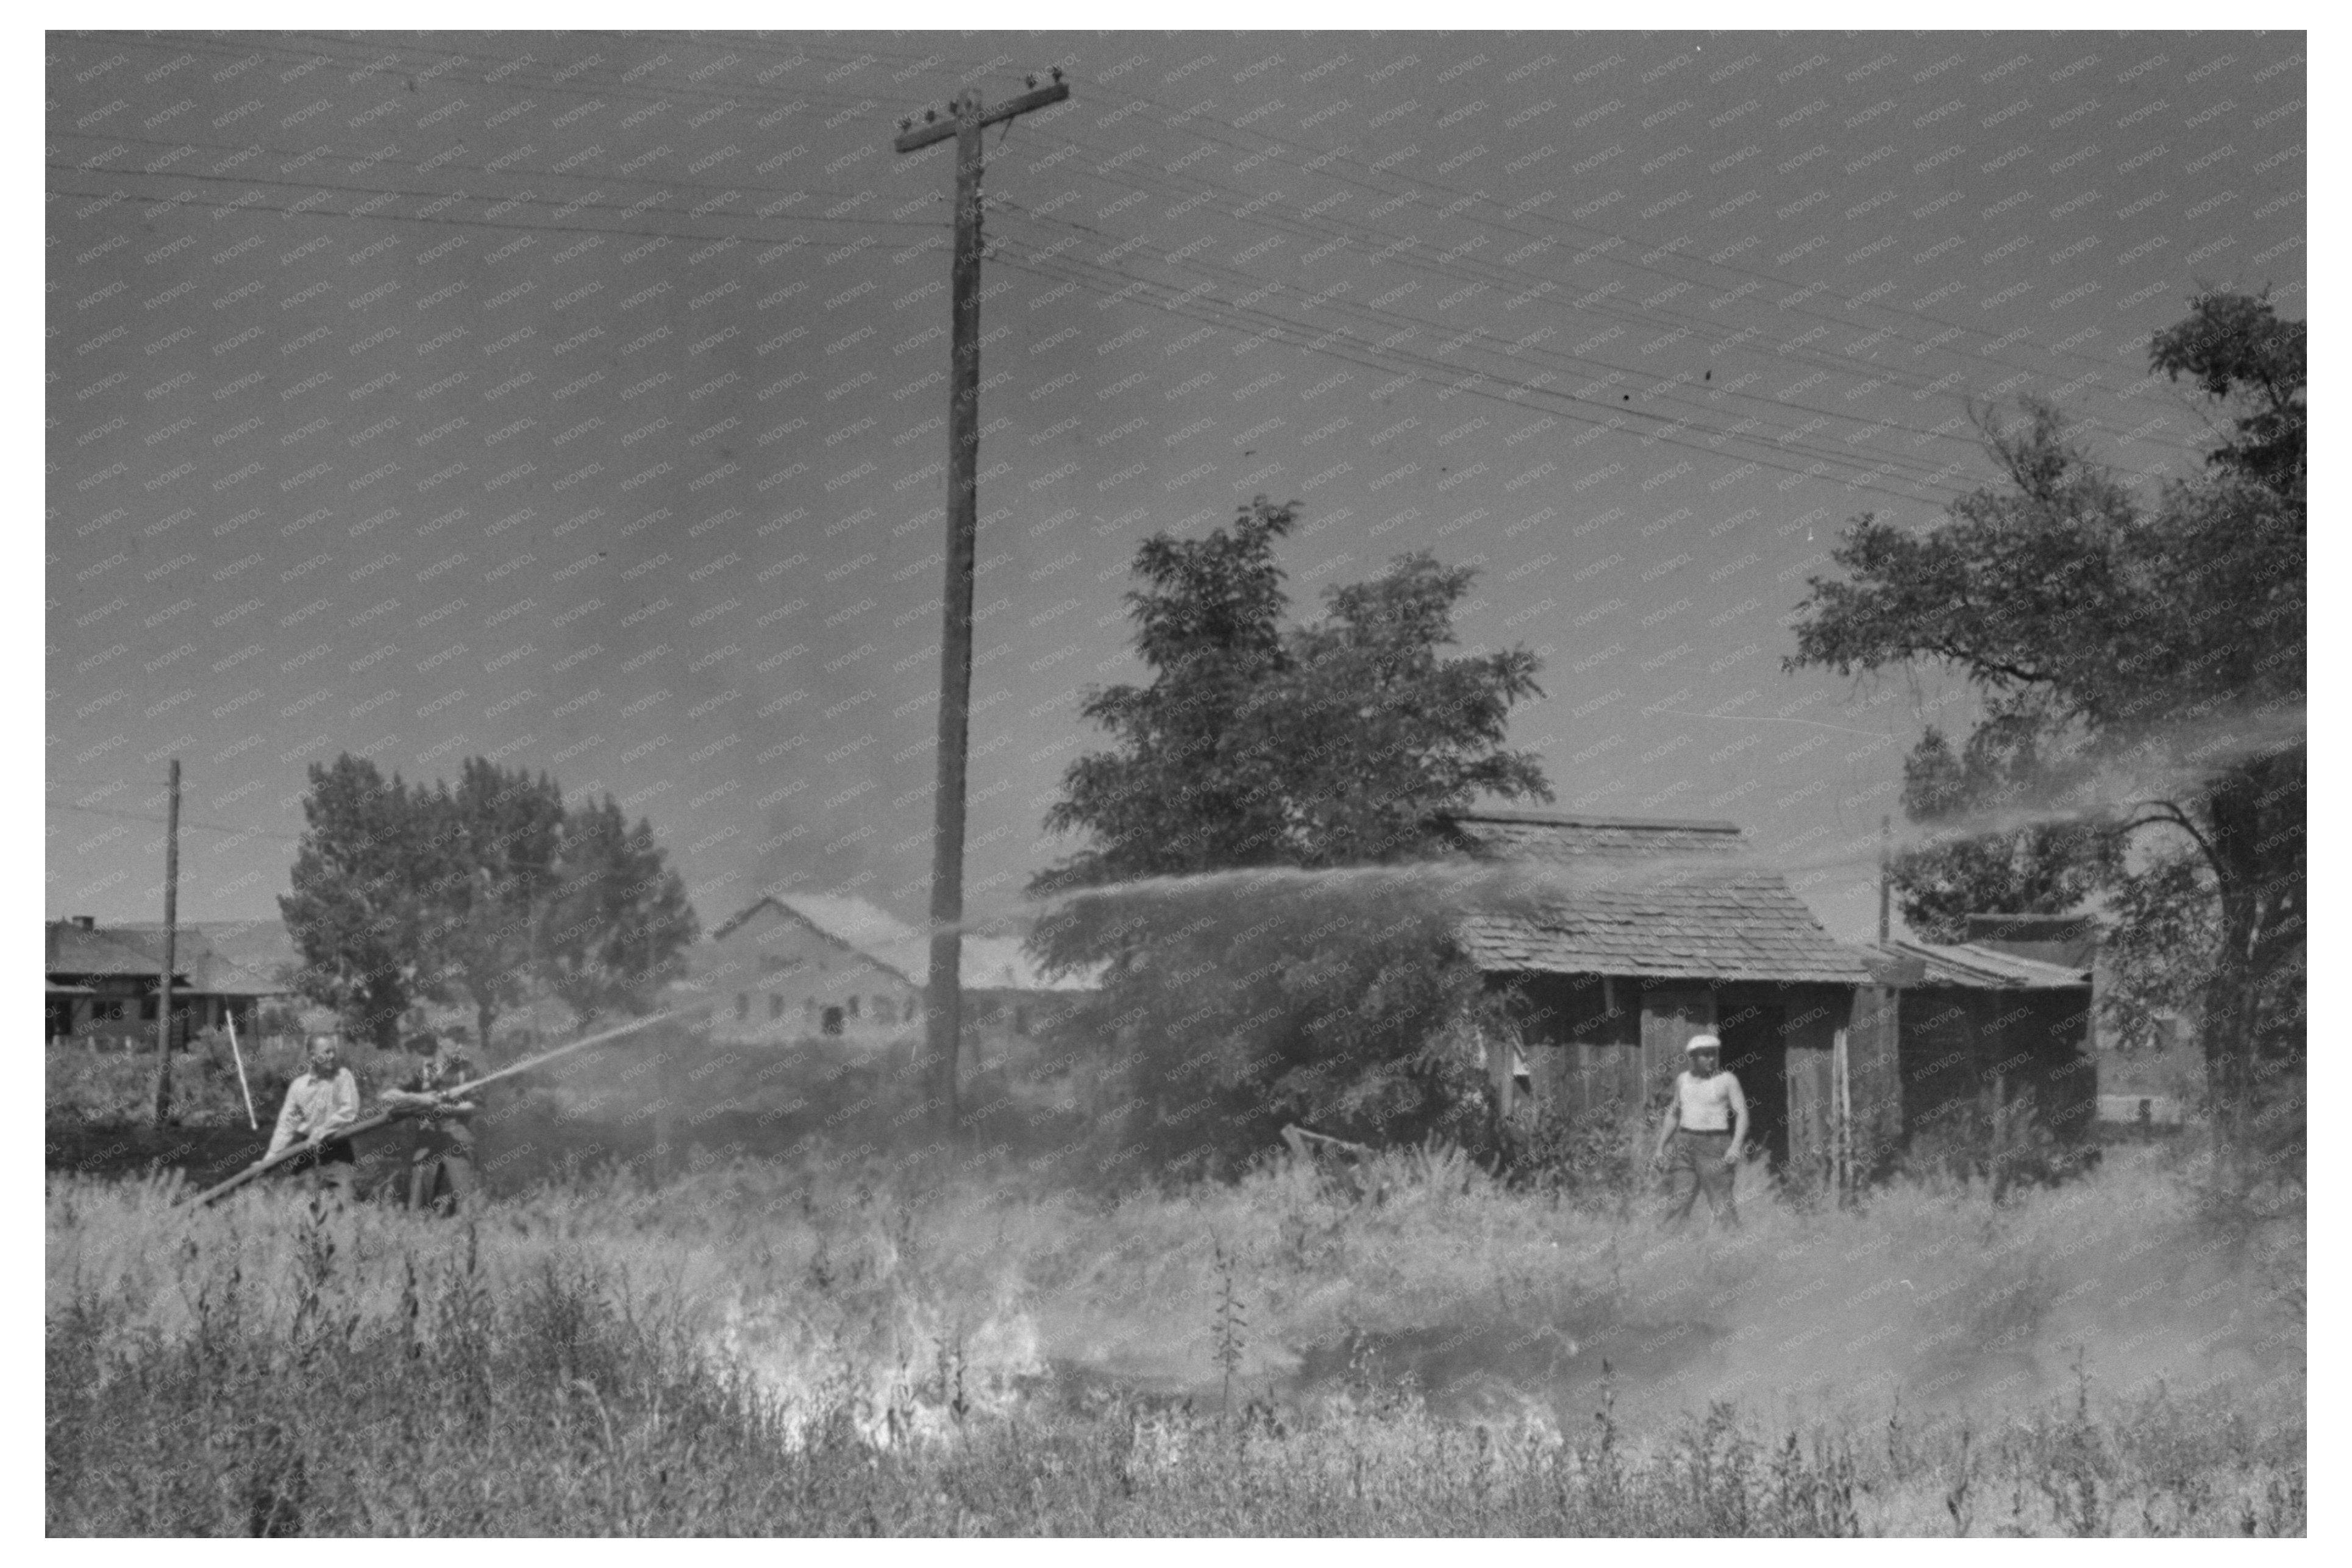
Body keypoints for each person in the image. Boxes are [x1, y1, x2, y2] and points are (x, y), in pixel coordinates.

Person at [1651, 1033, 1748, 1228]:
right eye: (1705, 1055)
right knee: (1679, 1199)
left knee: (1721, 1201)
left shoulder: (1727, 1080)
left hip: (1714, 1144)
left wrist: (1736, 1145)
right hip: (1684, 1144)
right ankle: (1672, 1247)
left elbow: (1742, 1112)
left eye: (1714, 1054)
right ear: (1693, 1058)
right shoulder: (1683, 1080)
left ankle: (1732, 1245)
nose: (1711, 1059)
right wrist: (1660, 1147)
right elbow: (1674, 1113)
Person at [383, 1031, 480, 1214]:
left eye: (462, 1043)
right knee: (418, 1199)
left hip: (456, 1133)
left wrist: (450, 1109)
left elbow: (476, 1104)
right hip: (427, 1134)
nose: (461, 1047)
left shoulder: (467, 1070)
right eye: (456, 1041)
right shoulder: (422, 1071)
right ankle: (420, 1231)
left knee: (468, 1198)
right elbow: (387, 1095)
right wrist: (420, 1099)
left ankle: (471, 1230)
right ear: (441, 1041)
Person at [266, 1032, 362, 1200]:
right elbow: (286, 1127)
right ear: (312, 1055)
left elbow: (349, 1110)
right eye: (326, 1052)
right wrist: (270, 1159)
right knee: (298, 1204)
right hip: (307, 1150)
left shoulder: (343, 1077)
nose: (332, 1056)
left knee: (346, 1202)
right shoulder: (299, 1087)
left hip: (338, 1150)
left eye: (333, 1051)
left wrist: (323, 1130)